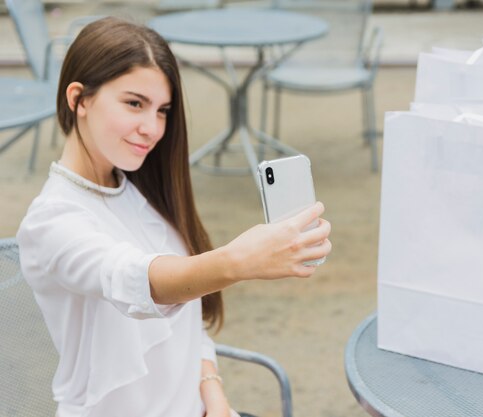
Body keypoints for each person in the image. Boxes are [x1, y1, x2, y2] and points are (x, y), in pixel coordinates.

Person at [16, 17, 331, 417]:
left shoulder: (142, 189)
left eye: (163, 110)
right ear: (78, 99)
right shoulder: (51, 221)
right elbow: (138, 281)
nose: (152, 128)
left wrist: (213, 396)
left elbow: (186, 319)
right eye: (134, 103)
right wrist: (237, 262)